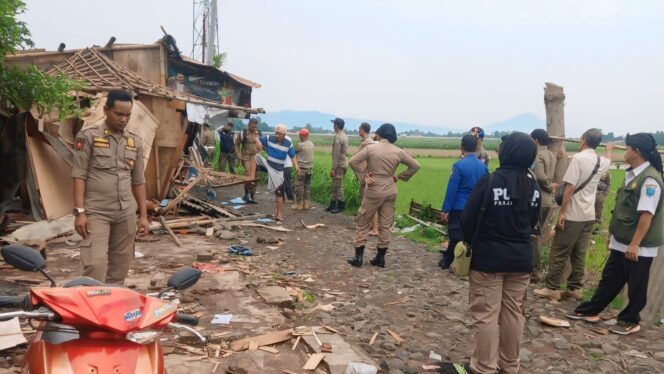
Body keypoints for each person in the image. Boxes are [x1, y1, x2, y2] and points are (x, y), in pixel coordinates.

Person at [460, 132, 541, 374]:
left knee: (486, 314)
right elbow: (535, 220)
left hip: (488, 259)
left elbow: (468, 218)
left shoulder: (490, 180)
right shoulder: (533, 186)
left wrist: (470, 239)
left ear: (506, 153)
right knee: (514, 313)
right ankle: (509, 365)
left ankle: (484, 367)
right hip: (521, 259)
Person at [568, 133, 663, 335]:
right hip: (623, 241)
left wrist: (635, 244)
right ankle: (591, 311)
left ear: (636, 152)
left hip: (638, 246)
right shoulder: (634, 174)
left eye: (627, 148)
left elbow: (646, 215)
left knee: (636, 284)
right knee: (610, 278)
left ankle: (630, 320)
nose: (625, 151)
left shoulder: (650, 180)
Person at [71, 90, 149, 284]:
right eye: (119, 114)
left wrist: (144, 216)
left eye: (128, 115)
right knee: (95, 264)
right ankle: (92, 307)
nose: (124, 119)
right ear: (106, 110)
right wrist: (80, 212)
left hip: (125, 212)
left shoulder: (134, 141)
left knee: (121, 265)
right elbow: (79, 175)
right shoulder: (88, 136)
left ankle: (112, 308)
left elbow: (138, 180)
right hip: (96, 211)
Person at [534, 129, 611, 301]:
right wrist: (610, 149)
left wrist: (562, 212)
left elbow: (569, 188)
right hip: (588, 214)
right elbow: (609, 158)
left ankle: (552, 287)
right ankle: (575, 288)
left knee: (559, 250)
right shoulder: (601, 160)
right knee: (579, 252)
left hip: (573, 213)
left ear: (583, 140)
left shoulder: (578, 159)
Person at [347, 123, 420, 268]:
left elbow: (353, 161)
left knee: (363, 222)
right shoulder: (399, 152)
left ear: (379, 134)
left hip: (374, 189)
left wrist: (364, 176)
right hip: (390, 190)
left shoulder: (371, 148)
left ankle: (358, 258)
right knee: (385, 225)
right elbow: (415, 165)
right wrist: (400, 176)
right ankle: (380, 258)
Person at [439, 135, 488, 269]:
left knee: (455, 235)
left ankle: (448, 260)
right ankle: (464, 262)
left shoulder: (459, 165)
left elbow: (452, 190)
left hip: (459, 206)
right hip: (475, 207)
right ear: (477, 147)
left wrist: (446, 209)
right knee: (470, 236)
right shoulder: (483, 167)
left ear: (461, 147)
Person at [255, 124, 300, 221]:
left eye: (279, 134)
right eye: (276, 133)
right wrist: (258, 141)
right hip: (268, 164)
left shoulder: (288, 143)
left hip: (278, 171)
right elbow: (257, 138)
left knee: (278, 192)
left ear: (284, 135)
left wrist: (296, 166)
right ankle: (252, 177)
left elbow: (292, 155)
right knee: (254, 157)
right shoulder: (269, 138)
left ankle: (279, 215)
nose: (277, 135)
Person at [530, 129, 557, 276]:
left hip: (539, 197)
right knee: (537, 233)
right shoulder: (551, 154)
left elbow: (539, 176)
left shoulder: (537, 154)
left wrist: (547, 185)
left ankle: (535, 269)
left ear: (535, 140)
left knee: (534, 234)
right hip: (548, 199)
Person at [357, 122, 379, 236]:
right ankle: (371, 225)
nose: (358, 131)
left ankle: (374, 228)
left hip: (367, 176)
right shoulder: (373, 142)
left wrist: (362, 175)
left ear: (362, 130)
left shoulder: (366, 144)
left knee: (368, 202)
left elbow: (363, 162)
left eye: (359, 129)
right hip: (371, 175)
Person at [236, 118, 262, 203]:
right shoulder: (243, 133)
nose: (255, 127)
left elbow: (262, 145)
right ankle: (246, 194)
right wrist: (239, 155)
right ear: (249, 125)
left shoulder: (259, 133)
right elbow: (236, 144)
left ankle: (252, 195)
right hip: (246, 157)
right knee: (248, 174)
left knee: (256, 175)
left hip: (255, 157)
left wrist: (258, 150)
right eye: (253, 126)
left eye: (256, 126)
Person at [327, 117, 349, 214]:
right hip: (342, 162)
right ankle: (332, 205)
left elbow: (336, 154)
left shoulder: (338, 137)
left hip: (339, 164)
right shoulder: (343, 135)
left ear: (336, 125)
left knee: (338, 185)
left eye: (334, 124)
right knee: (335, 185)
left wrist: (333, 168)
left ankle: (341, 205)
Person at [292, 129, 315, 210]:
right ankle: (306, 204)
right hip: (310, 169)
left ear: (301, 135)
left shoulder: (300, 145)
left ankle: (299, 204)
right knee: (307, 187)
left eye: (300, 135)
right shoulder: (312, 144)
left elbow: (292, 151)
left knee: (299, 187)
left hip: (301, 169)